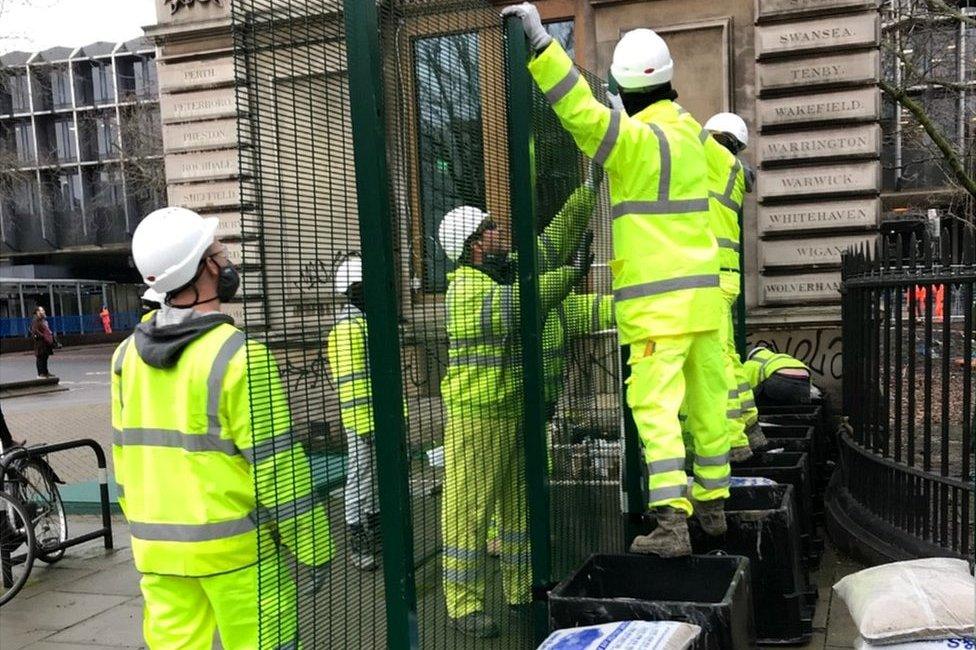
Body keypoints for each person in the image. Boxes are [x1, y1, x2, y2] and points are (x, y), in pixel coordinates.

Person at [504, 3, 730, 558]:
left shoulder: (634, 146)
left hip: (658, 308)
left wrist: (540, 43)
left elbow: (580, 113)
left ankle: (672, 525)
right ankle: (714, 505)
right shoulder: (696, 140)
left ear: (624, 94)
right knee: (708, 402)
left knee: (655, 408)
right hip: (704, 302)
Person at [112, 206, 332, 649]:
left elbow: (124, 463)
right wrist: (314, 549)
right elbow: (278, 468)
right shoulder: (240, 357)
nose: (226, 259)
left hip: (157, 554)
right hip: (235, 553)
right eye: (217, 251)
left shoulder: (124, 359)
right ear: (203, 268)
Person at [437, 186, 594, 638]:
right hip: (478, 414)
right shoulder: (466, 288)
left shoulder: (497, 276)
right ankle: (461, 604)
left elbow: (552, 239)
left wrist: (588, 189)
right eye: (493, 228)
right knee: (468, 510)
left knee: (518, 508)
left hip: (510, 409)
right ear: (475, 245)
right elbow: (517, 308)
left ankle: (520, 588)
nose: (502, 232)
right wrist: (570, 272)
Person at [700, 112, 764, 462]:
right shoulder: (733, 169)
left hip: (710, 275)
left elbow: (682, 133)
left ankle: (736, 440)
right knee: (727, 353)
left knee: (717, 358)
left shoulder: (716, 157)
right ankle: (750, 426)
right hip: (724, 275)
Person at [326, 254, 382, 572]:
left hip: (372, 417)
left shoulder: (362, 322)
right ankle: (356, 535)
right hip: (363, 419)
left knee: (370, 475)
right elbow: (351, 386)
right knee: (359, 476)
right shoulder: (348, 328)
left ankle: (373, 526)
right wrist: (365, 424)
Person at [743, 347, 812, 407]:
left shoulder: (751, 363)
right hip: (805, 381)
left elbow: (749, 389)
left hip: (780, 381)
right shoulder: (779, 357)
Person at [30, 307, 56, 378]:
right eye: (41, 310)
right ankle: (41, 373)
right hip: (40, 343)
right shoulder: (36, 321)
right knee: (41, 357)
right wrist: (43, 336)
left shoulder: (43, 320)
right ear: (37, 312)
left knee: (45, 357)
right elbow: (35, 331)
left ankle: (45, 372)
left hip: (45, 342)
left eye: (43, 310)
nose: (43, 311)